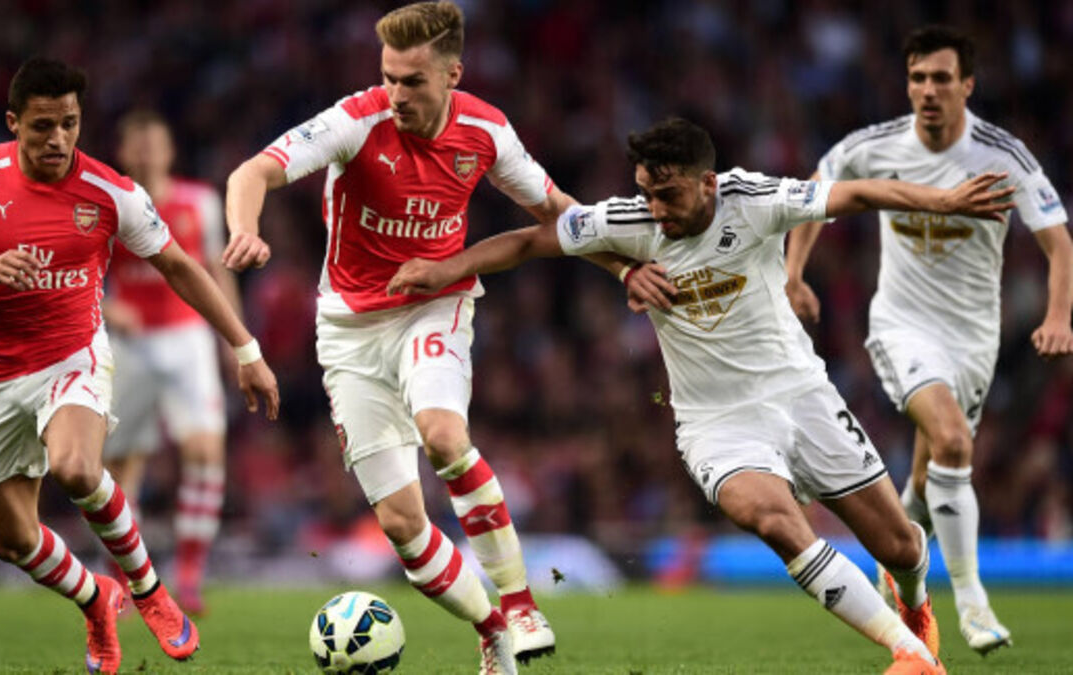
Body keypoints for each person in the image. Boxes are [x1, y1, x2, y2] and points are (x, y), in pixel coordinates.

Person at [389, 117, 1016, 674]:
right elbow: (533, 239)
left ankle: (913, 600)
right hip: (716, 422)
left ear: (708, 184)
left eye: (669, 194)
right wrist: (447, 269)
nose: (655, 208)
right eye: (646, 192)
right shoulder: (630, 221)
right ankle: (910, 655)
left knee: (900, 546)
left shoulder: (756, 200)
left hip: (801, 395)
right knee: (770, 518)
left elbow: (855, 194)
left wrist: (945, 200)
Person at [222, 3, 661, 673]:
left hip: (434, 306)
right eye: (389, 78)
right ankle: (491, 628)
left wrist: (624, 266)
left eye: (413, 81)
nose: (396, 94)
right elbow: (250, 172)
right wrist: (244, 228)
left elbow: (556, 211)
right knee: (402, 525)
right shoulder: (356, 119)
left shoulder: (485, 131)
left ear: (452, 74)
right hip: (348, 330)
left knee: (444, 435)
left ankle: (521, 604)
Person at [0, 57, 279, 675]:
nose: (58, 139)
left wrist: (247, 349)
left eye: (70, 124)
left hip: (73, 357)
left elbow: (182, 267)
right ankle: (95, 598)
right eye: (42, 126)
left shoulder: (110, 191)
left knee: (76, 467)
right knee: (11, 541)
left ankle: (149, 590)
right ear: (13, 123)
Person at [784, 26, 1072, 655]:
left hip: (974, 338)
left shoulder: (1003, 155)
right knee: (953, 439)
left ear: (967, 85)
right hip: (902, 325)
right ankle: (973, 605)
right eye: (918, 78)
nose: (928, 90)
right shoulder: (874, 145)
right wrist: (793, 273)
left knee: (931, 472)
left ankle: (902, 565)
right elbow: (812, 194)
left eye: (942, 78)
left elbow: (1058, 240)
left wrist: (1058, 316)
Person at [102, 109, 239, 615]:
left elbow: (218, 272)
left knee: (205, 452)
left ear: (170, 151)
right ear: (122, 153)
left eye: (154, 144)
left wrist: (235, 340)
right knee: (121, 468)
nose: (146, 154)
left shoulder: (200, 202)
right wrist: (108, 306)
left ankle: (189, 577)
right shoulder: (108, 205)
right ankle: (125, 580)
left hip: (188, 339)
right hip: (129, 345)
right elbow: (81, 274)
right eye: (137, 146)